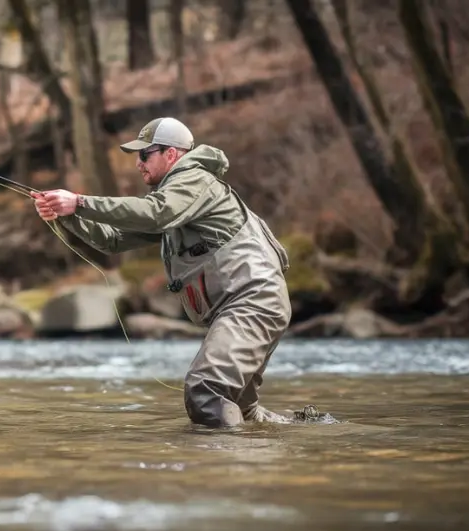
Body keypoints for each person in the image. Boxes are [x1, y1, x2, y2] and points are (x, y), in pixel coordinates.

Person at [31, 117, 294, 428]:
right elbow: (112, 240)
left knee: (206, 391)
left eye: (145, 155)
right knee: (242, 411)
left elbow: (156, 214)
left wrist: (80, 202)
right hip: (246, 305)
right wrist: (66, 215)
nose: (139, 164)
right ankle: (290, 437)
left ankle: (221, 473)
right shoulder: (177, 199)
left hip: (252, 302)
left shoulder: (195, 181)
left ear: (171, 154)